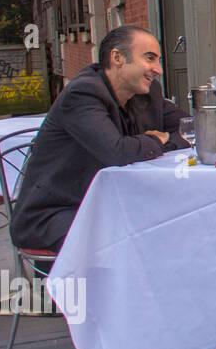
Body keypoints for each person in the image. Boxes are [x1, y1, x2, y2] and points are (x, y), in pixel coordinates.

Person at [11, 26, 185, 254]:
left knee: (175, 221)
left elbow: (190, 128)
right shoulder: (82, 94)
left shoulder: (146, 92)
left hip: (108, 203)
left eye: (158, 60)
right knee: (137, 240)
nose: (158, 69)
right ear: (117, 57)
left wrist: (161, 141)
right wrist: (156, 142)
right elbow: (118, 152)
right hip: (56, 214)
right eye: (150, 58)